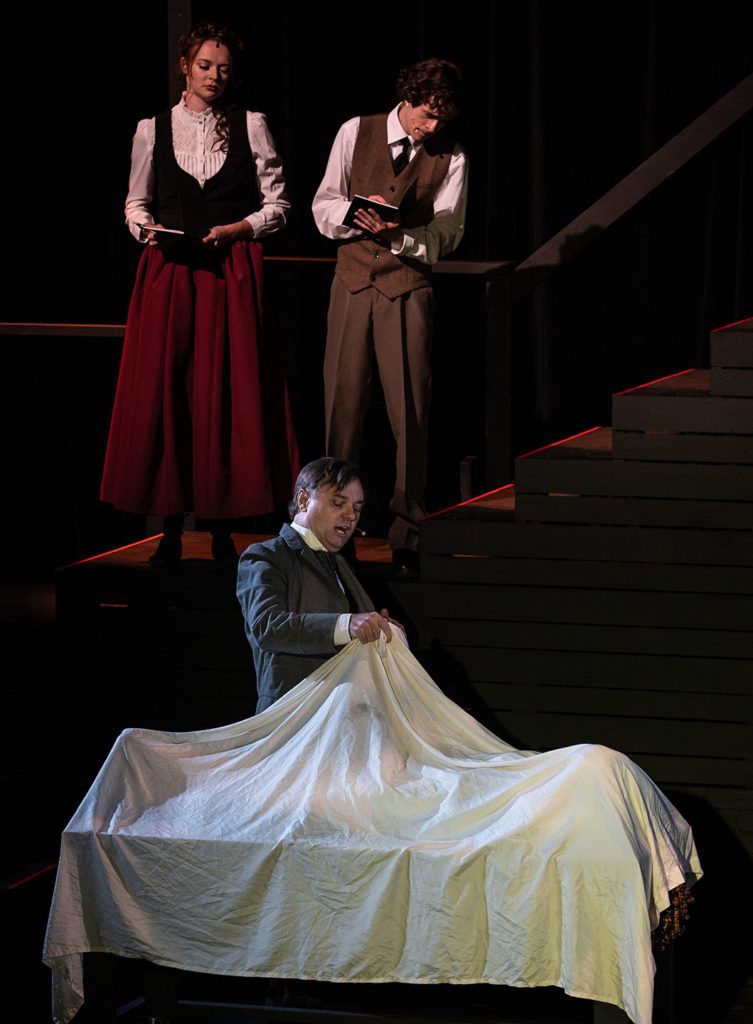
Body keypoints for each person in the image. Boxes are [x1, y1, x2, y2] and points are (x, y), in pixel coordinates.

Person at [101, 22, 298, 567]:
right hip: (168, 275)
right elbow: (135, 203)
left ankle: (217, 524)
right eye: (206, 65)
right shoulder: (151, 129)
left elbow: (278, 206)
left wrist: (238, 230)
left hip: (229, 274)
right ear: (185, 66)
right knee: (169, 389)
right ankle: (168, 525)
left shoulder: (249, 126)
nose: (215, 76)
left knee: (226, 391)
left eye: (225, 68)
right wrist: (147, 231)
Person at [312, 58, 467, 567]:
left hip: (407, 288)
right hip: (353, 283)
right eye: (426, 115)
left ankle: (409, 535)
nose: (432, 127)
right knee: (343, 409)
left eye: (442, 119)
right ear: (407, 98)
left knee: (411, 416)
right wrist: (358, 216)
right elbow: (323, 205)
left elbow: (447, 232)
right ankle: (335, 536)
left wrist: (398, 236)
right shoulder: (356, 131)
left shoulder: (452, 154)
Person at [237, 458, 397, 713]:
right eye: (338, 503)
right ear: (303, 500)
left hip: (344, 720)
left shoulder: (340, 564)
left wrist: (378, 627)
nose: (351, 516)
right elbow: (268, 627)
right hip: (293, 721)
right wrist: (348, 624)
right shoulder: (266, 556)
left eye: (357, 508)